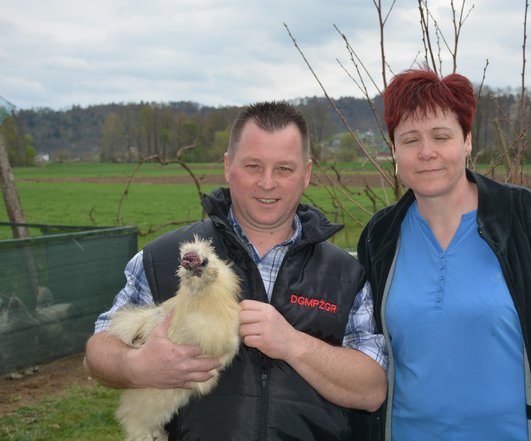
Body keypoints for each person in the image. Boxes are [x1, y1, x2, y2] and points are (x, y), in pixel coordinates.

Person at [84, 101, 387, 440]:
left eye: (284, 169)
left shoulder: (344, 274)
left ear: (307, 173)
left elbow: (372, 390)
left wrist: (293, 344)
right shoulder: (168, 257)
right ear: (229, 167)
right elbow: (98, 351)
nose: (268, 183)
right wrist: (136, 366)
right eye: (253, 166)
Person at [357, 68, 531, 441]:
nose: (426, 152)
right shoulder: (380, 238)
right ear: (394, 150)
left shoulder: (524, 220)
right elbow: (365, 358)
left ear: (467, 141)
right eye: (410, 139)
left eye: (441, 136)